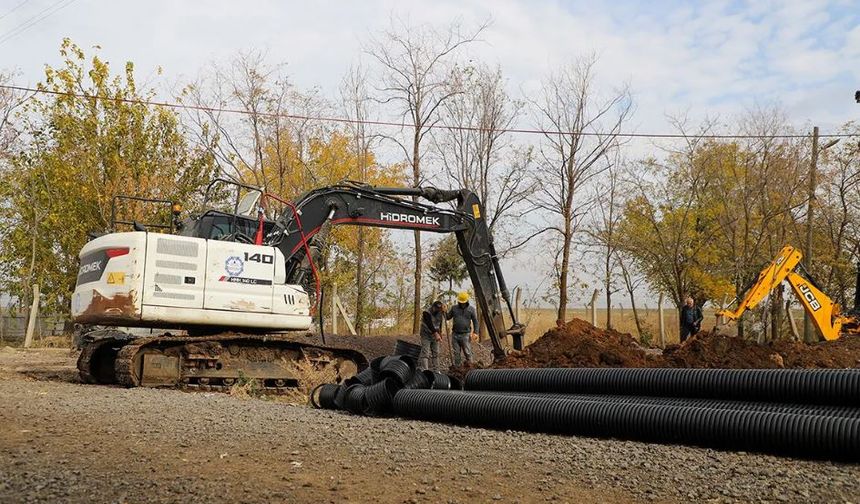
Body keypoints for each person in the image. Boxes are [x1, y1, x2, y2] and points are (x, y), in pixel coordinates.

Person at [447, 291, 479, 366]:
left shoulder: (471, 309)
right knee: (456, 353)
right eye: (461, 302)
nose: (462, 304)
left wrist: (476, 332)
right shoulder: (454, 308)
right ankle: (457, 368)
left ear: (467, 301)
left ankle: (471, 367)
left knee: (467, 352)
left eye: (463, 302)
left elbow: (475, 321)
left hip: (465, 334)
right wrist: (444, 311)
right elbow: (448, 317)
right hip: (455, 334)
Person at [419, 300, 446, 371]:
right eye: (436, 308)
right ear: (433, 307)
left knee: (436, 353)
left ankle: (436, 370)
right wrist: (436, 334)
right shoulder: (426, 312)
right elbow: (429, 324)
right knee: (425, 353)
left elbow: (440, 323)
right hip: (425, 334)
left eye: (439, 309)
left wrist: (440, 333)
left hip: (434, 335)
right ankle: (425, 370)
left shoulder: (440, 312)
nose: (437, 310)